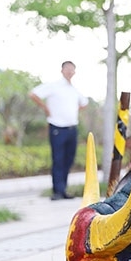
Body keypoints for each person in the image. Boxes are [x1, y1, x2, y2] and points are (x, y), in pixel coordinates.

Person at [29, 61, 89, 200]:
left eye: (72, 69)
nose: (70, 71)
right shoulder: (54, 86)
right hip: (57, 127)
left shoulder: (74, 90)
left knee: (69, 159)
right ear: (62, 70)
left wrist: (74, 110)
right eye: (67, 68)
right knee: (58, 159)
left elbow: (84, 103)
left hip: (72, 128)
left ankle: (63, 189)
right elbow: (33, 94)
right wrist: (46, 108)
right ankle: (57, 191)